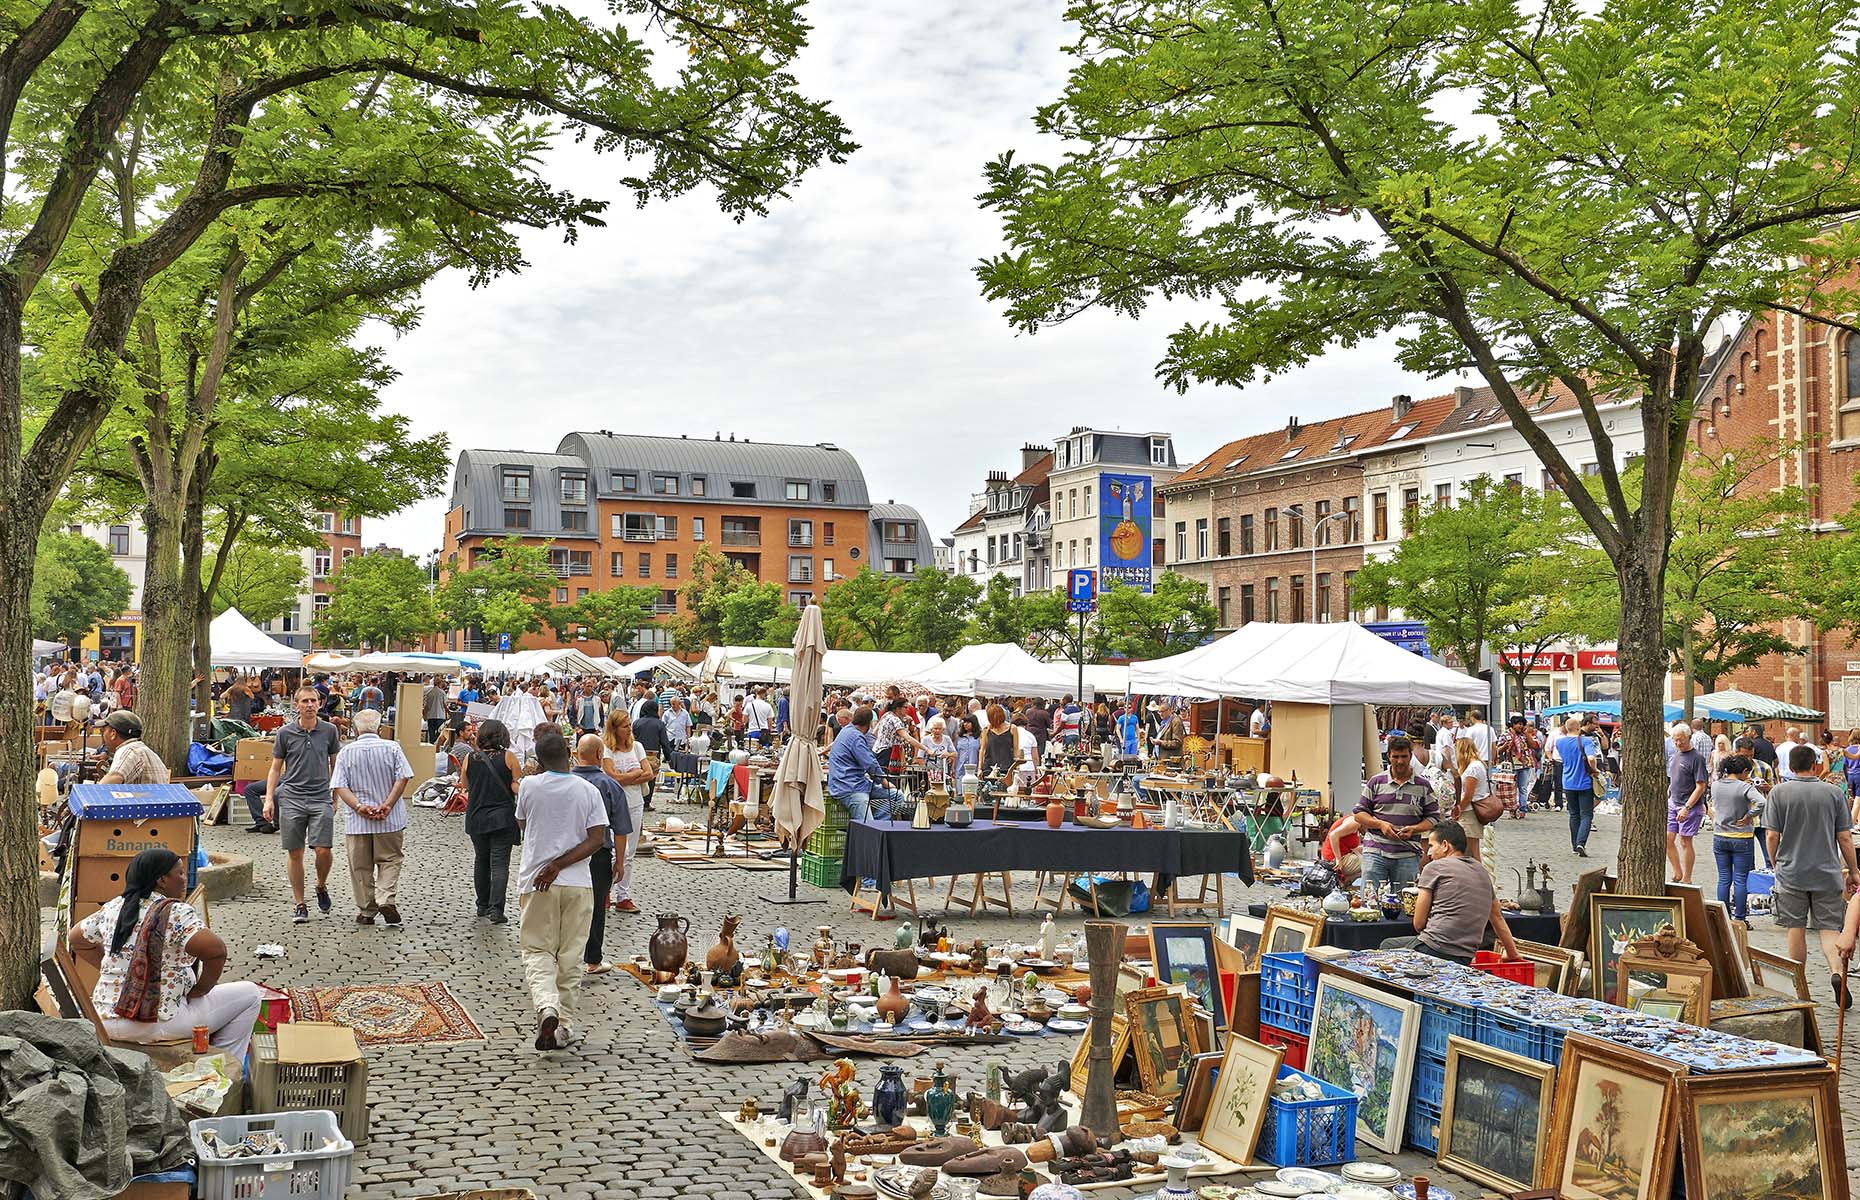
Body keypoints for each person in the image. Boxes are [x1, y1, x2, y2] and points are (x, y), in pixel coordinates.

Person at [67, 849, 263, 1062]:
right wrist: (203, 987)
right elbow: (216, 951)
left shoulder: (113, 907)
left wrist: (117, 970)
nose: (184, 879)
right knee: (250, 995)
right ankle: (225, 1063)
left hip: (103, 1021)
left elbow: (76, 938)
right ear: (161, 880)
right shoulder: (175, 911)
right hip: (155, 1023)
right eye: (179, 873)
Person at [514, 725, 608, 1051]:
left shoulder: (528, 786)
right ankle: (563, 1025)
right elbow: (597, 839)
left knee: (537, 951)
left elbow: (523, 824)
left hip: (536, 880)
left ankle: (546, 1006)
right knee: (570, 956)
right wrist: (563, 864)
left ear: (538, 760)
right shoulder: (587, 791)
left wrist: (552, 864)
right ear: (569, 755)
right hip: (578, 883)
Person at [1766, 744, 1860, 1006]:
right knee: (1829, 928)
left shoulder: (1779, 793)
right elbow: (1844, 836)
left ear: (1791, 766)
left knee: (1795, 926)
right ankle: (1837, 973)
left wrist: (1775, 862)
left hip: (1791, 871)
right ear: (1815, 764)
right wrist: (1853, 871)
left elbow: (1772, 835)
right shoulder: (1832, 793)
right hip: (1826, 871)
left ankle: (1800, 985)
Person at [1384, 821, 1522, 965]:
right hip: (1465, 955)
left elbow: (1418, 924)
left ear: (1445, 845)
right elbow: (1497, 917)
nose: (1428, 852)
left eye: (1431, 846)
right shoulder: (1481, 871)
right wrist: (1512, 954)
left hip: (1434, 948)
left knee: (1387, 945)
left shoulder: (1433, 868)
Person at [263, 686, 342, 924]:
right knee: (295, 852)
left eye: (313, 701)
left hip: (320, 797)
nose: (309, 705)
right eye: (305, 701)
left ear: (320, 704)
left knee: (323, 849)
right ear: (296, 705)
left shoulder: (329, 731)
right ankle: (300, 903)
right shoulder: (285, 733)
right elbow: (275, 768)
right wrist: (269, 799)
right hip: (292, 797)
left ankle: (320, 884)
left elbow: (335, 765)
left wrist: (335, 796)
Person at [330, 710, 414, 928]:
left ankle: (367, 910)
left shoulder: (346, 752)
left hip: (358, 822)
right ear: (379, 727)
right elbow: (402, 777)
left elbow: (339, 785)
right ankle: (385, 898)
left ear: (356, 729)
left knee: (360, 866)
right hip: (390, 819)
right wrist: (387, 804)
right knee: (390, 860)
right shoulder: (392, 748)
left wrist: (359, 807)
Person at [571, 733, 631, 975]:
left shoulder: (564, 782)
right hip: (598, 854)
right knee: (595, 907)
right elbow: (621, 828)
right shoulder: (609, 785)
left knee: (568, 904)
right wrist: (620, 861)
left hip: (567, 854)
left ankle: (563, 956)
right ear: (599, 755)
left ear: (577, 754)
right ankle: (592, 959)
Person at [1353, 736, 1441, 886]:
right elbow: (1359, 814)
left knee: (1403, 903)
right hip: (1376, 850)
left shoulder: (1423, 786)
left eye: (1404, 756)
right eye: (1396, 757)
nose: (1400, 761)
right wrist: (1380, 824)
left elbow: (1433, 818)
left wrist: (1414, 829)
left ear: (1410, 756)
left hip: (1407, 853)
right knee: (1370, 901)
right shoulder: (1376, 782)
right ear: (1389, 757)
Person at [465, 719, 521, 922]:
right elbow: (516, 785)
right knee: (499, 864)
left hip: (477, 816)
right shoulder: (509, 758)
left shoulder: (471, 757)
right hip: (502, 817)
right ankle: (497, 910)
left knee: (481, 859)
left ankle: (482, 905)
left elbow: (466, 784)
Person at [601, 709, 654, 914]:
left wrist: (628, 777)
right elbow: (612, 777)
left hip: (634, 802)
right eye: (625, 726)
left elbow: (648, 773)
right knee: (613, 849)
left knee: (629, 853)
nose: (629, 729)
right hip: (613, 803)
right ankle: (606, 891)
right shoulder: (607, 750)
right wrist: (635, 774)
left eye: (629, 725)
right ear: (614, 729)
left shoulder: (637, 747)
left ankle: (623, 894)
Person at [1710, 754, 1763, 922]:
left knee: (1724, 878)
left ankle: (1723, 916)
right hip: (1742, 837)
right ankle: (1740, 918)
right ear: (1744, 771)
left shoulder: (1716, 785)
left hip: (1720, 835)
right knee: (1740, 879)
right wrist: (1749, 816)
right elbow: (1761, 802)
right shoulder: (1744, 787)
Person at [827, 708, 901, 821]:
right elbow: (870, 763)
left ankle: (878, 824)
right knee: (868, 824)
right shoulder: (855, 737)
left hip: (857, 784)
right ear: (869, 723)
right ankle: (873, 827)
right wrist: (884, 782)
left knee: (897, 796)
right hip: (850, 788)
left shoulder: (846, 731)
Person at [1664, 722, 1710, 885]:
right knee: (1668, 839)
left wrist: (1687, 807)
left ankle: (1687, 877)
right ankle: (1677, 872)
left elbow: (1701, 786)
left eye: (1681, 740)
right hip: (1673, 802)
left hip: (1689, 806)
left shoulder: (1696, 758)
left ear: (1689, 738)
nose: (1678, 743)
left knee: (1685, 840)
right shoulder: (1676, 755)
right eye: (1675, 740)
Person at [1552, 716, 1602, 857]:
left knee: (1573, 814)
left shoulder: (1560, 742)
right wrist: (1595, 770)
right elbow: (1591, 758)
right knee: (1586, 814)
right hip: (1584, 782)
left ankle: (1574, 845)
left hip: (1567, 782)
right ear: (1578, 727)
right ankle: (1581, 843)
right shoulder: (1586, 741)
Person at [1449, 735, 1493, 875]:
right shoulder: (1477, 765)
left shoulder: (1473, 768)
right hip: (1470, 812)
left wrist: (1458, 809)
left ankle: (1480, 880)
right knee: (1469, 851)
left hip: (1469, 813)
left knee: (1472, 852)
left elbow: (1468, 795)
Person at [97, 710, 169, 785]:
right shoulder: (145, 751)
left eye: (103, 731)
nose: (103, 735)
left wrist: (94, 793)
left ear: (113, 734)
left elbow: (114, 777)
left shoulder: (129, 750)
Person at [1496, 714, 1540, 818]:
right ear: (1513, 724)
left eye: (1522, 724)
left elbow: (1533, 745)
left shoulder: (1524, 735)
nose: (1520, 726)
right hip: (1511, 765)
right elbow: (1498, 750)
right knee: (1511, 788)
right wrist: (1505, 746)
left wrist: (1526, 733)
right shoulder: (1505, 735)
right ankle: (1512, 809)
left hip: (1524, 764)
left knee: (1523, 787)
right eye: (1518, 724)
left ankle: (1522, 809)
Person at [1320, 812, 1363, 885]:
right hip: (1332, 859)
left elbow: (1354, 848)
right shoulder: (1355, 822)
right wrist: (1338, 859)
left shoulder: (1355, 824)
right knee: (1372, 863)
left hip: (1342, 855)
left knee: (1367, 857)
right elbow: (1333, 835)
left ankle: (1345, 881)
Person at [954, 715, 981, 781]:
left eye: (968, 722)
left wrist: (980, 768)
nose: (966, 724)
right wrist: (953, 768)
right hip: (960, 769)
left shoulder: (979, 737)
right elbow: (955, 752)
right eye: (964, 722)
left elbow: (981, 752)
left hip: (974, 770)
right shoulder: (959, 737)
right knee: (960, 790)